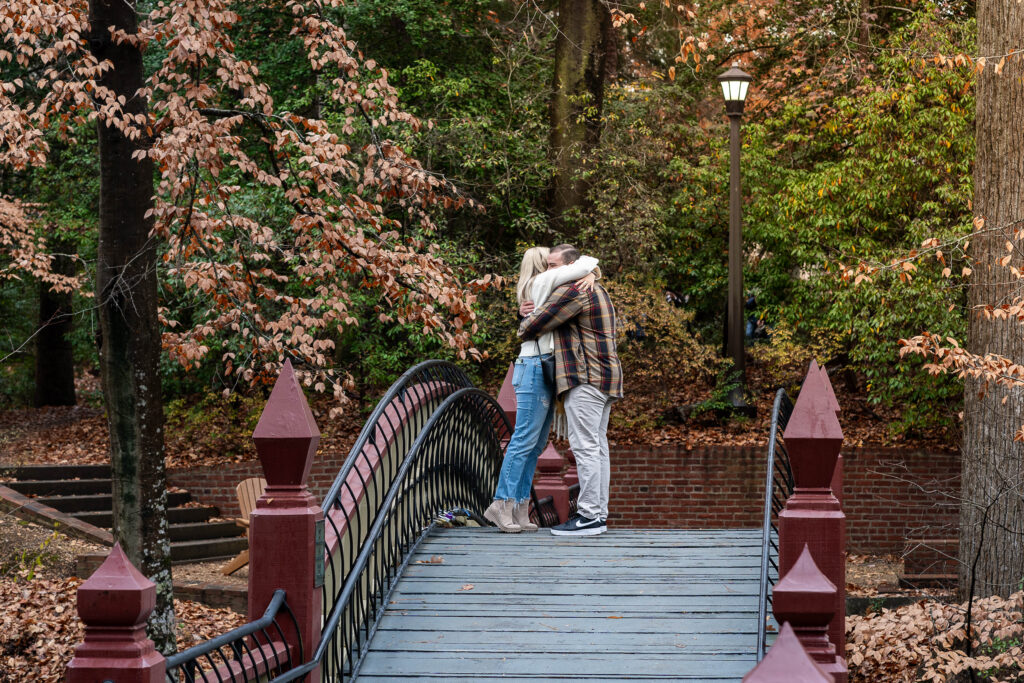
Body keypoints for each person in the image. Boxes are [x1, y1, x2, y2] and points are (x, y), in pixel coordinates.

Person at [483, 247, 599, 533]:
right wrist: (593, 270)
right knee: (523, 440)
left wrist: (593, 276)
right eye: (548, 263)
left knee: (535, 444)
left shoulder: (546, 285)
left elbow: (580, 269)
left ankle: (521, 507)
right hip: (534, 366)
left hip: (544, 367)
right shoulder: (541, 283)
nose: (552, 268)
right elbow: (584, 262)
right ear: (541, 266)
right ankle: (501, 504)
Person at [518, 244, 622, 537]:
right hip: (604, 377)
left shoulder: (573, 291)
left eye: (552, 265)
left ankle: (588, 516)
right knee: (598, 447)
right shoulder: (591, 286)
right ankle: (598, 514)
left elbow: (535, 324)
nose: (548, 271)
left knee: (585, 446)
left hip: (586, 377)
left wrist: (524, 319)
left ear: (569, 265)